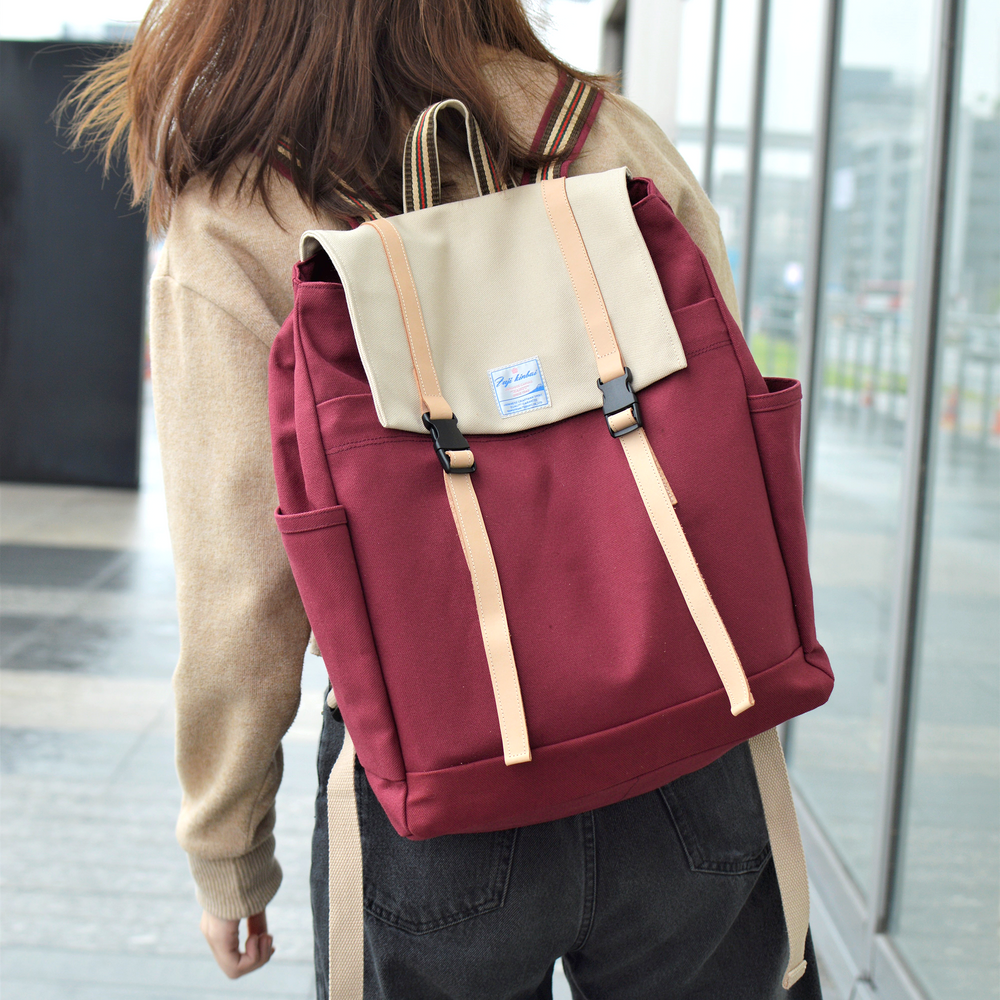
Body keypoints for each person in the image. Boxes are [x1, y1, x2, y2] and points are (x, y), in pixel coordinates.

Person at [67, 1, 823, 997]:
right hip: (689, 734)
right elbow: (722, 434)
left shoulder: (239, 210)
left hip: (438, 777)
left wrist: (227, 844)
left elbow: (242, 590)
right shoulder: (598, 132)